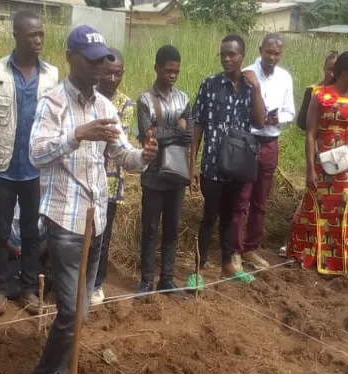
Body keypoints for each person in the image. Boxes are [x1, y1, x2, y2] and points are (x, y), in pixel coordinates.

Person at [28, 25, 158, 374]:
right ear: (71, 57)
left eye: (103, 59)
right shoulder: (52, 102)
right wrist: (76, 135)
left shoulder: (105, 106)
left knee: (81, 311)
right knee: (71, 312)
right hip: (66, 222)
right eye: (91, 59)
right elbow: (36, 154)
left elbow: (122, 156)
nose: (100, 67)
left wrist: (146, 155)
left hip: (96, 220)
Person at [0, 11, 58, 317]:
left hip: (37, 170)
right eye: (31, 35)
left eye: (41, 35)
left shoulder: (52, 75)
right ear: (16, 36)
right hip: (3, 169)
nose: (38, 40)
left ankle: (27, 291)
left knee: (31, 232)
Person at [188, 34, 266, 287]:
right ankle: (197, 270)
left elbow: (260, 122)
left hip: (238, 165)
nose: (226, 59)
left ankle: (227, 265)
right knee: (209, 215)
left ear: (243, 56)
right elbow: (198, 124)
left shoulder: (249, 86)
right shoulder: (210, 84)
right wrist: (192, 163)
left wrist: (257, 89)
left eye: (232, 54)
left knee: (231, 215)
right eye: (223, 54)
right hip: (212, 164)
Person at [286, 51, 348, 275]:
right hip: (322, 162)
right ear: (343, 72)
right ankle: (308, 253)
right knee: (315, 208)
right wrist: (310, 169)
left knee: (341, 211)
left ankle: (338, 259)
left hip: (345, 166)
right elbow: (311, 134)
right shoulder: (320, 96)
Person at [232, 33, 295, 271]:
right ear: (260, 50)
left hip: (270, 142)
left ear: (281, 54)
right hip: (248, 141)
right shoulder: (247, 74)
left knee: (261, 200)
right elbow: (237, 110)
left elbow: (291, 112)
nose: (272, 57)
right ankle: (235, 251)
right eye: (268, 52)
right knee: (241, 198)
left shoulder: (285, 78)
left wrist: (278, 118)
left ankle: (251, 249)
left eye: (276, 53)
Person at [135, 45, 193, 297]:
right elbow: (148, 138)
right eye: (168, 70)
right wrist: (176, 130)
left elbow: (189, 134)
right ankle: (146, 281)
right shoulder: (145, 100)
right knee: (149, 229)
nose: (172, 75)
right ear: (157, 68)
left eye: (176, 71)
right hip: (152, 175)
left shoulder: (184, 98)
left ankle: (166, 280)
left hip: (177, 175)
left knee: (171, 228)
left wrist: (162, 131)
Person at [91, 47, 135, 305]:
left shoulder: (126, 105)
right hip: (87, 180)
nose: (111, 79)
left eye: (117, 74)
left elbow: (117, 144)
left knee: (103, 235)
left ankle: (97, 283)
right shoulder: (87, 97)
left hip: (111, 181)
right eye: (107, 73)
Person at [296, 51, 337, 131]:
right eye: (329, 69)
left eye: (335, 71)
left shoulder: (347, 95)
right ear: (324, 68)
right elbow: (301, 122)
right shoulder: (312, 91)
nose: (332, 74)